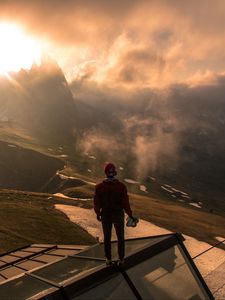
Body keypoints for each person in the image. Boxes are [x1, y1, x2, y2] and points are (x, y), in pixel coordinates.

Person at [94, 163, 134, 266]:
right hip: (118, 215)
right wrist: (130, 214)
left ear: (106, 173)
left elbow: (97, 202)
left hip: (106, 215)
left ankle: (108, 259)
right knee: (120, 237)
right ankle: (121, 259)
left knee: (107, 237)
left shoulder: (99, 187)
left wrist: (98, 213)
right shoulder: (121, 187)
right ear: (114, 173)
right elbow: (125, 203)